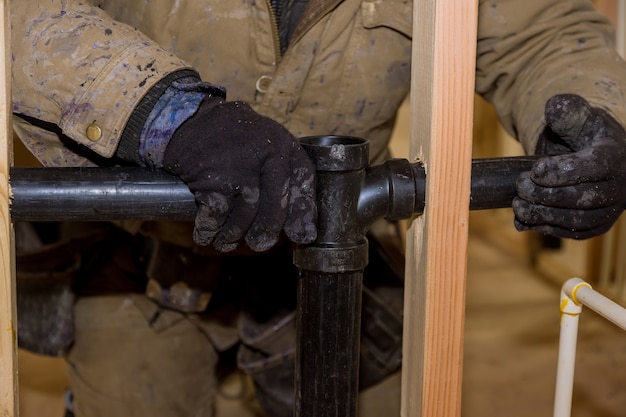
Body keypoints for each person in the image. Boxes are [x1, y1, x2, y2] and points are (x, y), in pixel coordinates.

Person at [10, 0, 626, 416]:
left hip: (343, 252)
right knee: (128, 392)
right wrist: (161, 113)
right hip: (145, 251)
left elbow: (539, 30)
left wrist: (596, 116)